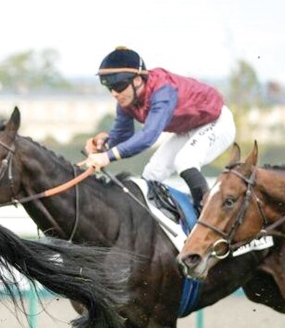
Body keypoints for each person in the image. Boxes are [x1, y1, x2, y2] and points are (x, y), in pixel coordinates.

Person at [78, 46, 236, 213]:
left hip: (217, 122)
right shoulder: (126, 100)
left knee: (185, 161)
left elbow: (148, 136)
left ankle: (208, 216)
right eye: (109, 88)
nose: (114, 93)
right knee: (152, 172)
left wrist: (107, 157)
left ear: (137, 80)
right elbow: (122, 136)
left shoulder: (163, 90)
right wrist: (103, 145)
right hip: (189, 129)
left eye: (118, 86)